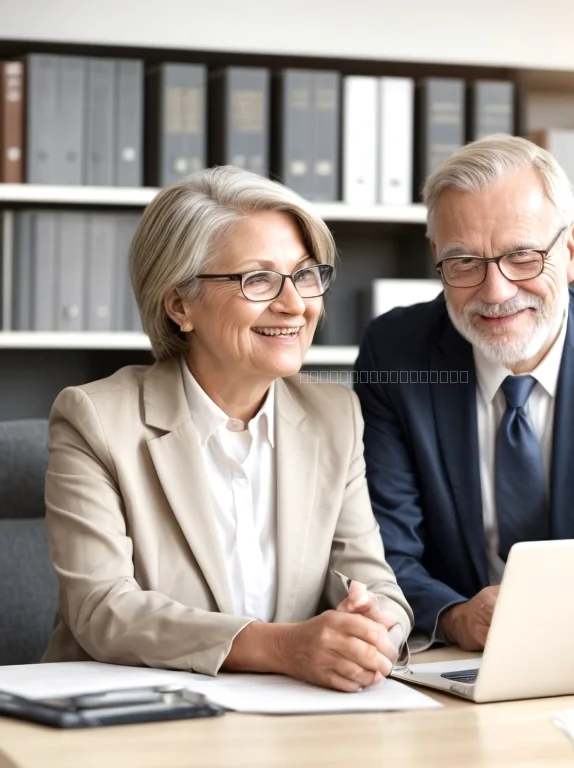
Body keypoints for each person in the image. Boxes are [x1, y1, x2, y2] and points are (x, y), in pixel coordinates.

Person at [43, 166, 412, 693]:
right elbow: (103, 610)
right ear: (179, 305)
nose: (294, 305)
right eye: (258, 279)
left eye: (305, 275)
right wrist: (285, 647)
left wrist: (372, 632)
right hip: (130, 715)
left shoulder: (336, 416)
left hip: (294, 717)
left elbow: (376, 584)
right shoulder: (96, 419)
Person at [353, 134, 574, 652]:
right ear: (437, 258)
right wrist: (454, 615)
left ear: (568, 251)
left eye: (522, 255)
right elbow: (383, 549)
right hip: (457, 658)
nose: (496, 291)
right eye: (465, 262)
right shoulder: (396, 354)